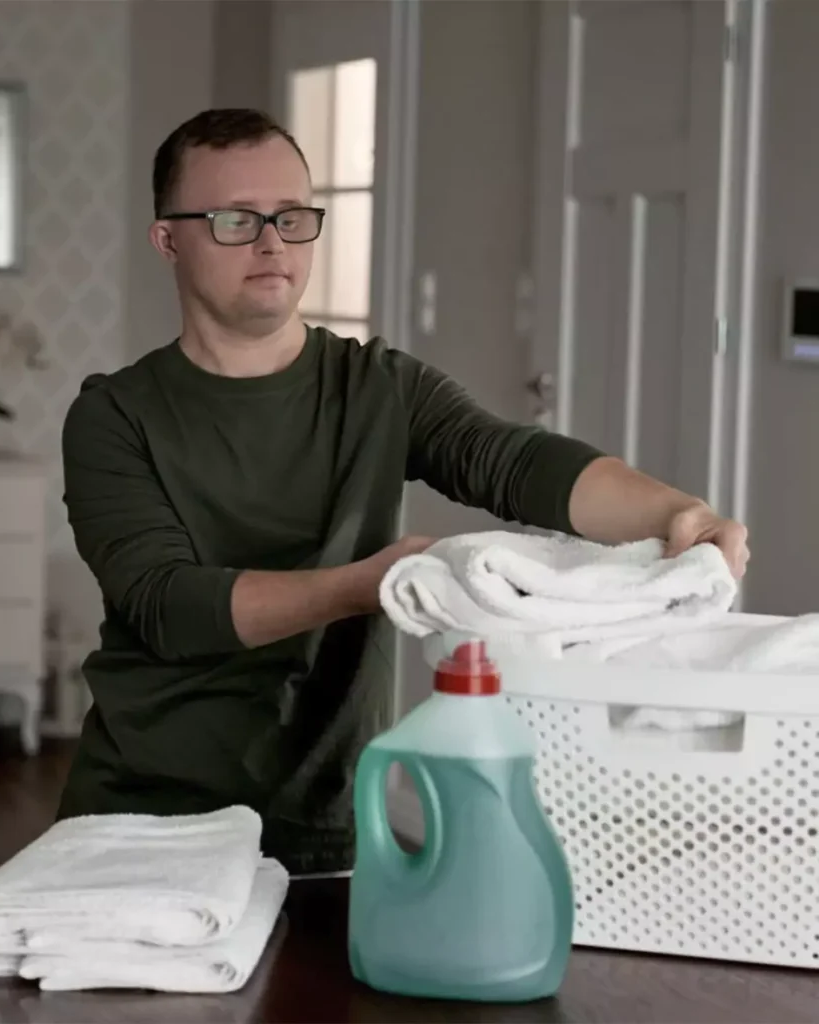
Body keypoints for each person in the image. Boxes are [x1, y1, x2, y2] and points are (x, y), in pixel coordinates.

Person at [57, 108, 749, 875]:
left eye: (292, 217)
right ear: (168, 240)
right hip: (143, 821)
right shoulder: (113, 416)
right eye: (233, 220)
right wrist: (364, 586)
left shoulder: (378, 387)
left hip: (328, 827)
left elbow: (516, 462)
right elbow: (167, 606)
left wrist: (678, 513)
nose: (271, 243)